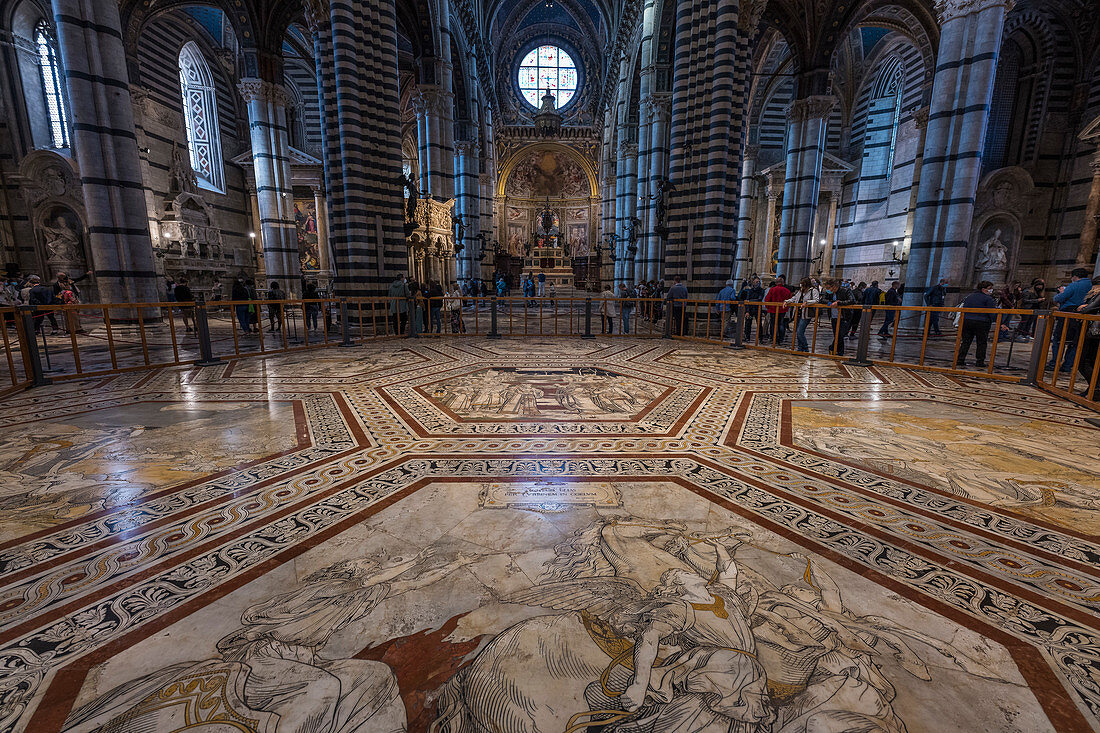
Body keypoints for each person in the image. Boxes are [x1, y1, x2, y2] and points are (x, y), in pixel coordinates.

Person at [1052, 268, 1092, 372]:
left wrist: (1060, 293)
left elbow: (1060, 298)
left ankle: (1055, 363)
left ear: (1074, 276)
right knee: (1075, 341)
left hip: (1068, 314)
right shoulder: (1091, 285)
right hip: (1084, 315)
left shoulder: (1075, 285)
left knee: (1058, 339)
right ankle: (1067, 365)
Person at [956, 280, 998, 368]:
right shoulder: (988, 299)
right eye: (989, 289)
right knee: (982, 342)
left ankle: (960, 359)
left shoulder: (969, 296)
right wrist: (996, 321)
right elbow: (992, 312)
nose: (991, 291)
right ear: (983, 289)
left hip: (967, 321)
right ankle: (980, 361)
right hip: (982, 322)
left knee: (966, 342)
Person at [1074, 276, 1100, 400]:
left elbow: (1089, 309)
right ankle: (1093, 388)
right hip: (1093, 333)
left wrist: (1083, 309)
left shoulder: (1098, 294)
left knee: (1084, 362)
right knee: (1091, 362)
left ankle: (1096, 388)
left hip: (1094, 333)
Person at [785, 277, 821, 352]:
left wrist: (807, 302)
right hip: (797, 313)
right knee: (797, 332)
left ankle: (806, 348)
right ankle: (800, 348)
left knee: (800, 332)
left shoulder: (813, 291)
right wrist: (787, 301)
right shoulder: (800, 291)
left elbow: (816, 300)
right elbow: (795, 298)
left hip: (805, 314)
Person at [830, 279, 856, 355]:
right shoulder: (830, 293)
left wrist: (839, 303)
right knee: (837, 335)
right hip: (834, 316)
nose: (828, 290)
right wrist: (831, 303)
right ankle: (839, 351)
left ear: (834, 287)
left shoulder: (845, 291)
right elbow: (822, 300)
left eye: (829, 288)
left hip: (844, 316)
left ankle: (833, 348)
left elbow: (852, 300)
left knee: (840, 335)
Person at [763, 277, 791, 343]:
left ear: (776, 283)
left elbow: (767, 299)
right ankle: (781, 338)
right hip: (783, 310)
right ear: (783, 283)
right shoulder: (787, 290)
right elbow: (789, 300)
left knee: (773, 324)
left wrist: (768, 308)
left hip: (773, 310)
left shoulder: (772, 290)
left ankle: (774, 338)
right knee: (781, 324)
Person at [737, 276, 765, 341]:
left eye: (758, 282)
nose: (757, 283)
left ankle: (760, 338)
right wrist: (747, 311)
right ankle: (747, 337)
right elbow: (747, 300)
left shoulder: (761, 290)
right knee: (748, 322)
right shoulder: (750, 291)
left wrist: (750, 301)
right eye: (756, 282)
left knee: (759, 323)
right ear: (753, 282)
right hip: (750, 310)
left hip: (757, 309)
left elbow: (759, 299)